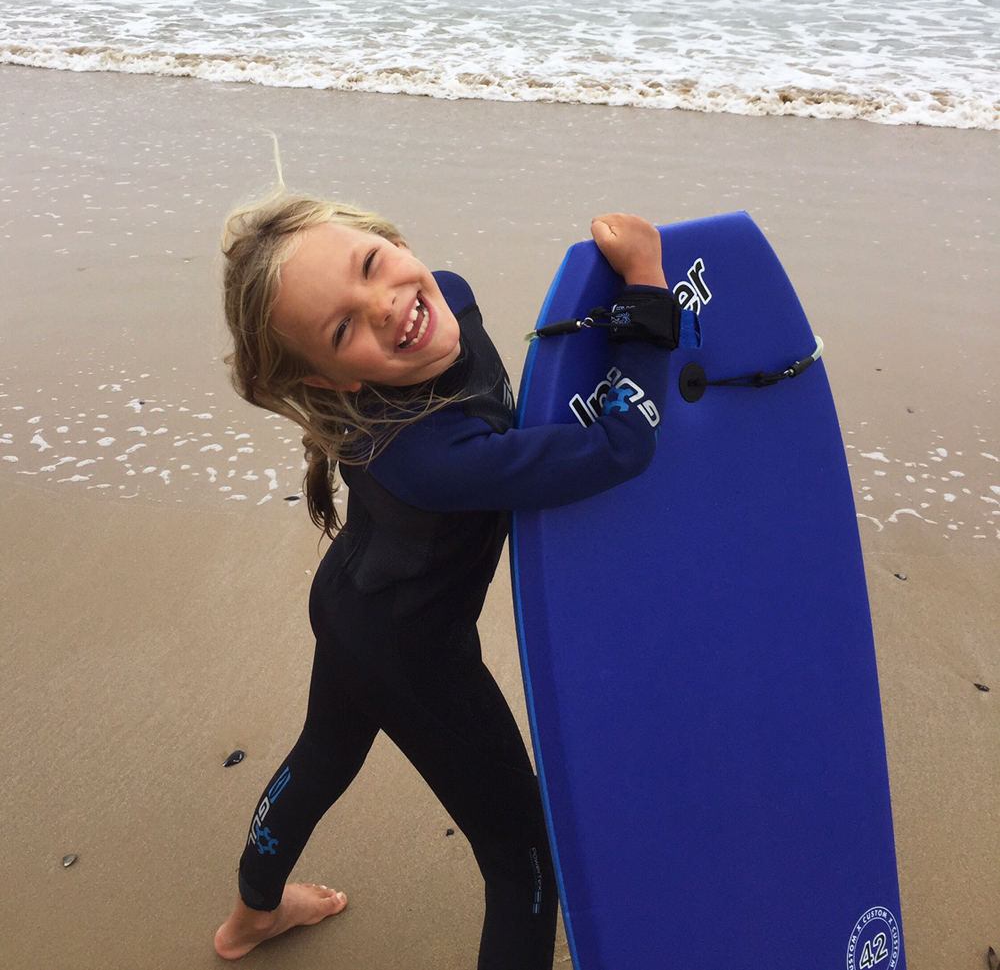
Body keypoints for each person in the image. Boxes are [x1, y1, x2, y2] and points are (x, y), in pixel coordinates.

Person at [212, 192, 685, 967]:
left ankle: (249, 919)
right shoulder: (432, 457)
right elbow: (623, 446)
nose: (389, 306)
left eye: (372, 264)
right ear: (333, 382)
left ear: (392, 238)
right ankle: (252, 915)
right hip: (412, 652)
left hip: (352, 600)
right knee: (523, 864)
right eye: (343, 328)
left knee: (326, 754)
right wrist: (645, 285)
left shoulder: (448, 293)